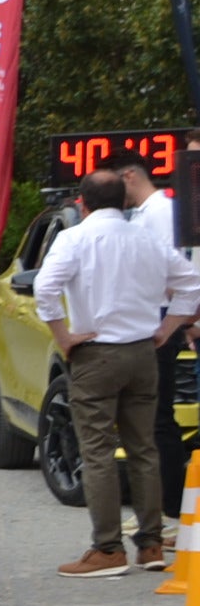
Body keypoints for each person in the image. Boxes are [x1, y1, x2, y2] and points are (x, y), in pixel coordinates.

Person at [34, 169, 200, 577]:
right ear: (124, 200)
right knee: (144, 448)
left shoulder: (74, 239)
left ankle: (107, 548)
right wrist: (167, 328)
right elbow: (192, 285)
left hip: (96, 354)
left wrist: (65, 336)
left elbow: (44, 288)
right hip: (144, 351)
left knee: (98, 451)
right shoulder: (147, 238)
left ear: (82, 202)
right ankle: (150, 544)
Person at [108, 149, 190, 547]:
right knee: (148, 423)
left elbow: (177, 273)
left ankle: (172, 516)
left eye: (110, 183)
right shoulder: (145, 214)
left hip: (160, 322)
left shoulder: (158, 213)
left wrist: (173, 322)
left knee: (159, 423)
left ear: (128, 176)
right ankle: (155, 515)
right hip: (158, 320)